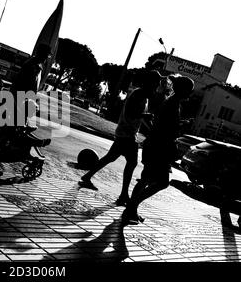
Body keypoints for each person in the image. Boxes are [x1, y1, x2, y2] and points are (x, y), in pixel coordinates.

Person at [78, 70, 162, 207]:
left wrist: (150, 126)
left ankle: (88, 176)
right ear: (150, 82)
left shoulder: (144, 97)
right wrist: (144, 116)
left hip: (126, 134)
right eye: (156, 83)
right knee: (131, 163)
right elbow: (131, 113)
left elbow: (141, 116)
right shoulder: (138, 94)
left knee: (110, 158)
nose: (158, 86)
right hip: (126, 135)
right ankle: (123, 195)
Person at [122, 74, 195, 225]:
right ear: (182, 90)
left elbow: (163, 125)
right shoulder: (173, 104)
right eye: (189, 90)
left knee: (146, 180)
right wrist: (180, 128)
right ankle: (131, 206)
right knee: (160, 182)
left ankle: (131, 208)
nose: (190, 93)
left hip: (155, 147)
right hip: (158, 149)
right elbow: (167, 130)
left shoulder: (171, 102)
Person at [0, 43, 51, 146]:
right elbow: (21, 82)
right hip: (18, 97)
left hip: (23, 99)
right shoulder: (31, 65)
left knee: (7, 122)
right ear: (41, 54)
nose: (47, 58)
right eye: (46, 55)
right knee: (10, 123)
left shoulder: (37, 66)